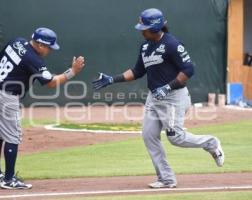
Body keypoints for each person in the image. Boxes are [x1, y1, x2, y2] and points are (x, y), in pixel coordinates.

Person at [92, 8, 224, 188]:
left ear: (154, 28)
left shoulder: (172, 44)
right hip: (154, 98)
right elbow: (137, 71)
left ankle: (211, 143)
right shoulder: (145, 46)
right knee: (149, 135)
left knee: (176, 138)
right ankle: (166, 178)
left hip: (173, 98)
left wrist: (168, 87)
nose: (141, 30)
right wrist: (112, 79)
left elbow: (188, 70)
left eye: (144, 27)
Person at [0, 27, 85, 189]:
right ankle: (9, 179)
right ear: (39, 44)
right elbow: (50, 83)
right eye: (49, 47)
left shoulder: (16, 41)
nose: (50, 50)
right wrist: (72, 72)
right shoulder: (33, 59)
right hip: (5, 98)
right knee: (13, 137)